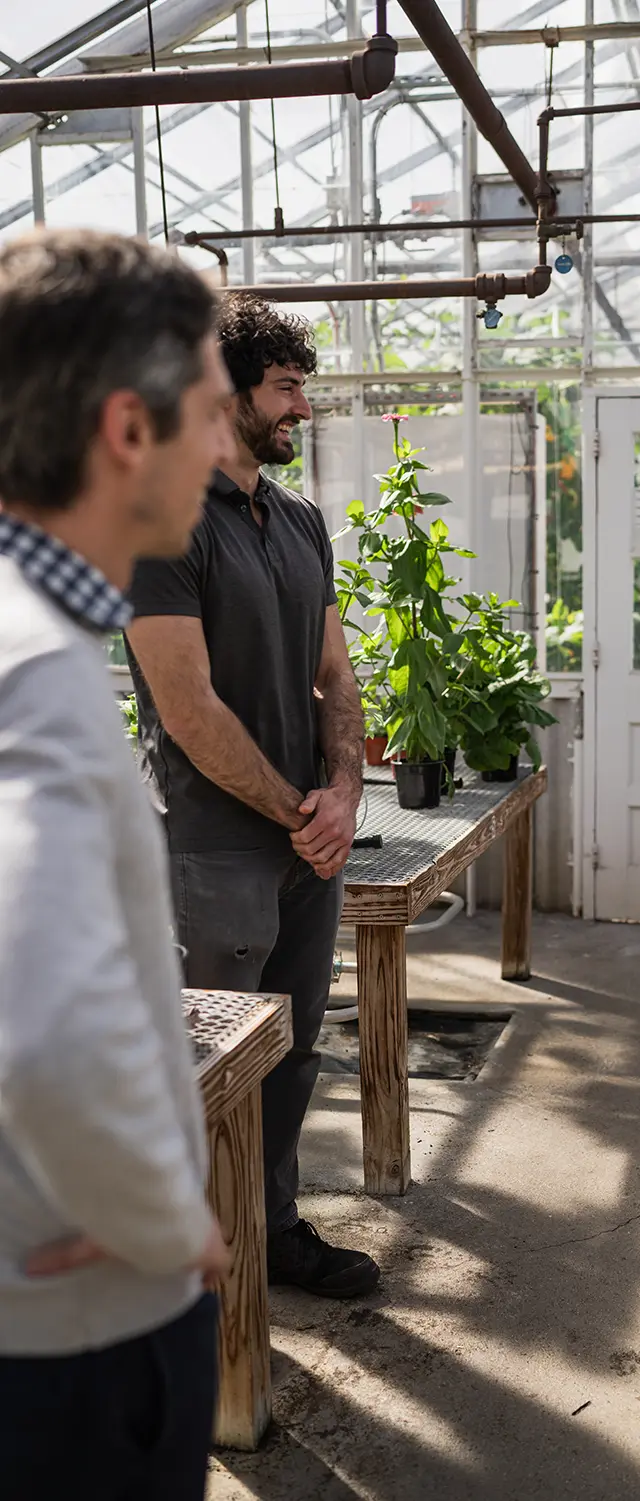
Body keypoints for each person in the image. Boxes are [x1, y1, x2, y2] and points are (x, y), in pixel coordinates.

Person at [0, 229, 236, 1499]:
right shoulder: (41, 671)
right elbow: (38, 1036)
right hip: (77, 1333)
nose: (223, 442)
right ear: (125, 430)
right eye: (207, 410)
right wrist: (160, 1216)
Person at [125, 293, 379, 1300]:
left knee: (291, 1049)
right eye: (285, 388)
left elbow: (336, 672)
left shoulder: (298, 519)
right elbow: (186, 710)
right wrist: (300, 809)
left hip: (302, 842)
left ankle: (267, 1231)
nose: (302, 410)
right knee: (200, 1073)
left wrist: (348, 787)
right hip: (208, 849)